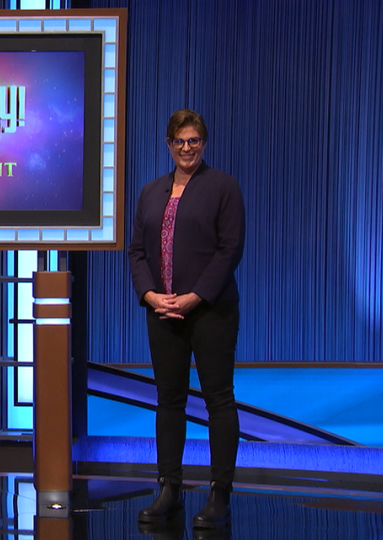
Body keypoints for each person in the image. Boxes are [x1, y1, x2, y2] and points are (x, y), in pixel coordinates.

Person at [128, 110, 245, 529]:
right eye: (179, 141)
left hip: (211, 310)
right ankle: (169, 489)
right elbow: (137, 251)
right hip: (163, 312)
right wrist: (151, 295)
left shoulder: (223, 187)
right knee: (169, 400)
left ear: (204, 143)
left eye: (194, 140)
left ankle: (219, 495)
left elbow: (229, 250)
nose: (187, 148)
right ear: (168, 144)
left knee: (218, 399)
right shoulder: (150, 191)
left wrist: (194, 298)